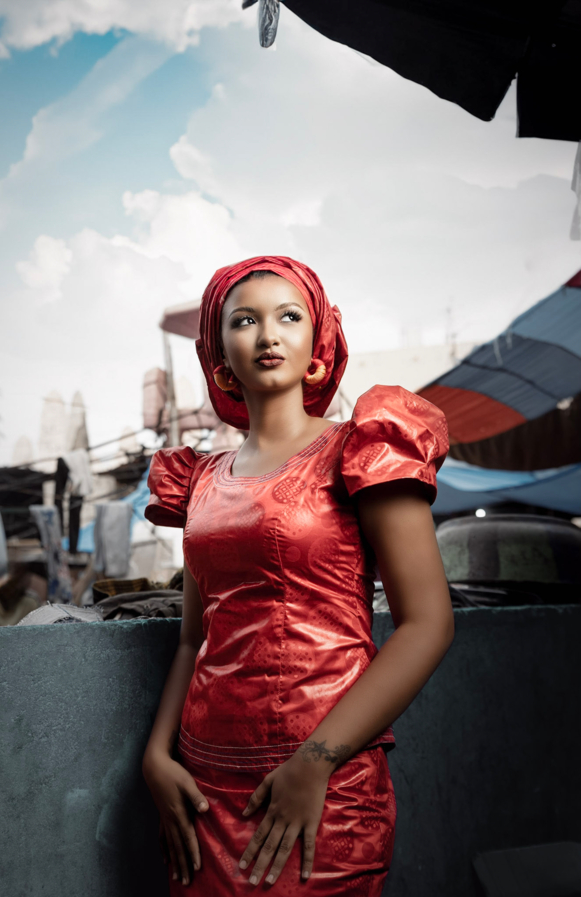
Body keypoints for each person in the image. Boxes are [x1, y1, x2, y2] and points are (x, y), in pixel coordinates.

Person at [142, 256, 454, 895]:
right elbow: (192, 640)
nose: (268, 335)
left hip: (322, 784)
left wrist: (316, 761)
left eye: (289, 316)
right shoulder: (199, 479)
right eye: (244, 320)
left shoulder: (363, 448)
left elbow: (429, 625)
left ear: (318, 341)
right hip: (201, 785)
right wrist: (156, 755)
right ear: (218, 353)